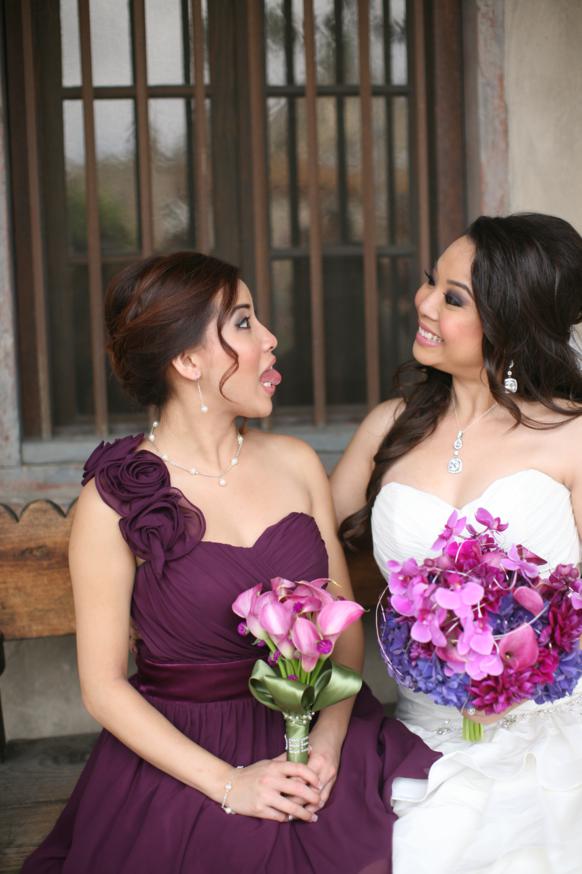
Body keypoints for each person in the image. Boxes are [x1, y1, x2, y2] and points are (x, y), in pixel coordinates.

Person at [23, 251, 437, 874]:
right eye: (243, 323)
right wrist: (231, 784)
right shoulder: (112, 502)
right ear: (187, 361)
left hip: (325, 729)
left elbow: (345, 629)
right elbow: (102, 687)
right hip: (189, 758)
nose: (270, 339)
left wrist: (326, 745)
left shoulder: (297, 463)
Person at [331, 213, 582, 874]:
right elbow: (303, 549)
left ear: (509, 322)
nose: (423, 303)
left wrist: (526, 662)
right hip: (419, 739)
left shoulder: (573, 437)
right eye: (429, 282)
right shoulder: (390, 427)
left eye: (452, 297)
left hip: (548, 734)